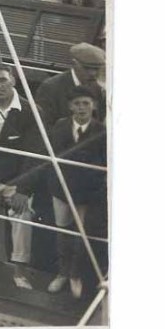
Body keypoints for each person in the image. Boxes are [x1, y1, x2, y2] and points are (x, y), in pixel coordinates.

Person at [0, 65, 41, 288]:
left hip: (16, 179)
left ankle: (19, 271)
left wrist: (23, 190)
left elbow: (36, 154)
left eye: (2, 80)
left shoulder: (30, 111)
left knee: (22, 216)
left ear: (12, 80)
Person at [43, 87, 107, 300]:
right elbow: (52, 155)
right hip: (61, 189)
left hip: (86, 193)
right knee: (63, 232)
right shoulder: (60, 126)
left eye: (86, 103)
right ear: (71, 106)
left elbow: (104, 162)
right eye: (77, 104)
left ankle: (75, 274)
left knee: (81, 234)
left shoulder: (102, 131)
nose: (81, 108)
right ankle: (62, 272)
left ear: (94, 106)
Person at [35, 42, 106, 126]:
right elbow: (43, 125)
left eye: (96, 69)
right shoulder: (50, 88)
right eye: (87, 68)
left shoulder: (98, 89)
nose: (93, 73)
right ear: (74, 64)